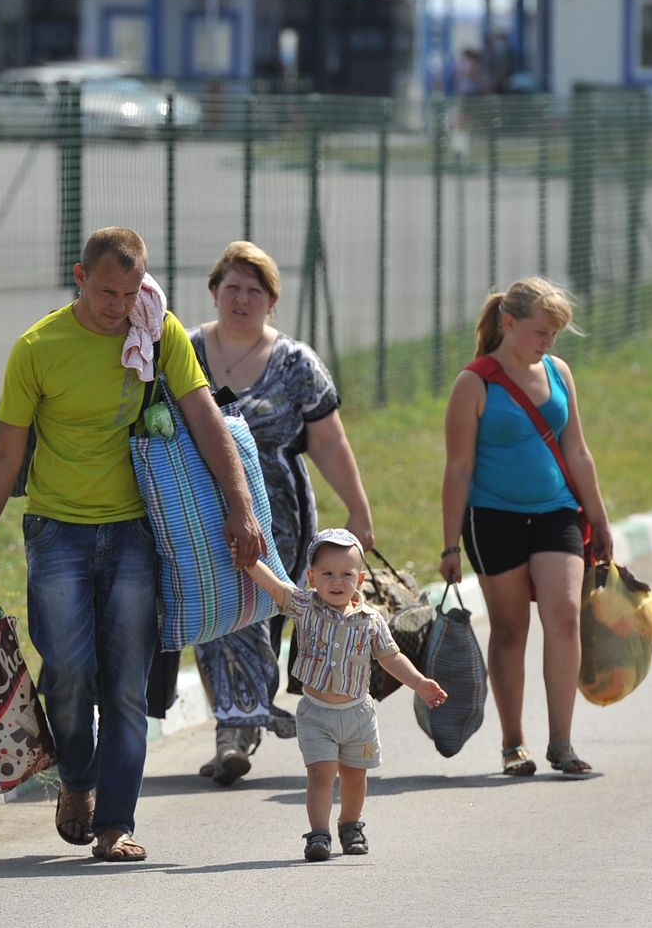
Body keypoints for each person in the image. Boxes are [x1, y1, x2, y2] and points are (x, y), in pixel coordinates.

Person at [0, 227, 264, 864]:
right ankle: (77, 779)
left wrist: (241, 509)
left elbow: (206, 417)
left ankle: (114, 824)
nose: (119, 305)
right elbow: (6, 449)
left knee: (124, 683)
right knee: (66, 673)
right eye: (106, 291)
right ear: (79, 277)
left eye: (131, 291)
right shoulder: (39, 348)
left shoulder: (158, 332)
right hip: (57, 531)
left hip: (133, 532)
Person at [188, 241, 375, 784]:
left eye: (254, 290)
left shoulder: (295, 364)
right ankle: (234, 726)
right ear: (215, 291)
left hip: (281, 518)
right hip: (200, 516)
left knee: (263, 615)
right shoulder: (184, 351)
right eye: (232, 287)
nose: (241, 299)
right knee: (216, 616)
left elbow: (331, 444)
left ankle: (245, 715)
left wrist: (358, 508)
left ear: (271, 301)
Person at [439, 277, 613, 777]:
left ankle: (562, 742)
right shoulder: (474, 383)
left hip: (557, 511)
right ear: (508, 323)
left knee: (563, 614)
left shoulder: (558, 372)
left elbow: (577, 449)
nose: (549, 343)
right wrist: (450, 544)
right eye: (541, 331)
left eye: (555, 334)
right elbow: (458, 468)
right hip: (493, 518)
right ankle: (514, 741)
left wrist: (598, 519)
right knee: (511, 629)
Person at [236, 528, 447, 861]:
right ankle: (318, 834)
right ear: (312, 577)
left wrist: (420, 683)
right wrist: (249, 563)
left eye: (346, 574)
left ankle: (351, 824)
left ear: (360, 578)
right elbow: (276, 588)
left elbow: (390, 657)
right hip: (316, 713)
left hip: (357, 715)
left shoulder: (371, 619)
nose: (337, 582)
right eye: (327, 574)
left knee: (354, 776)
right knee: (320, 773)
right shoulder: (305, 606)